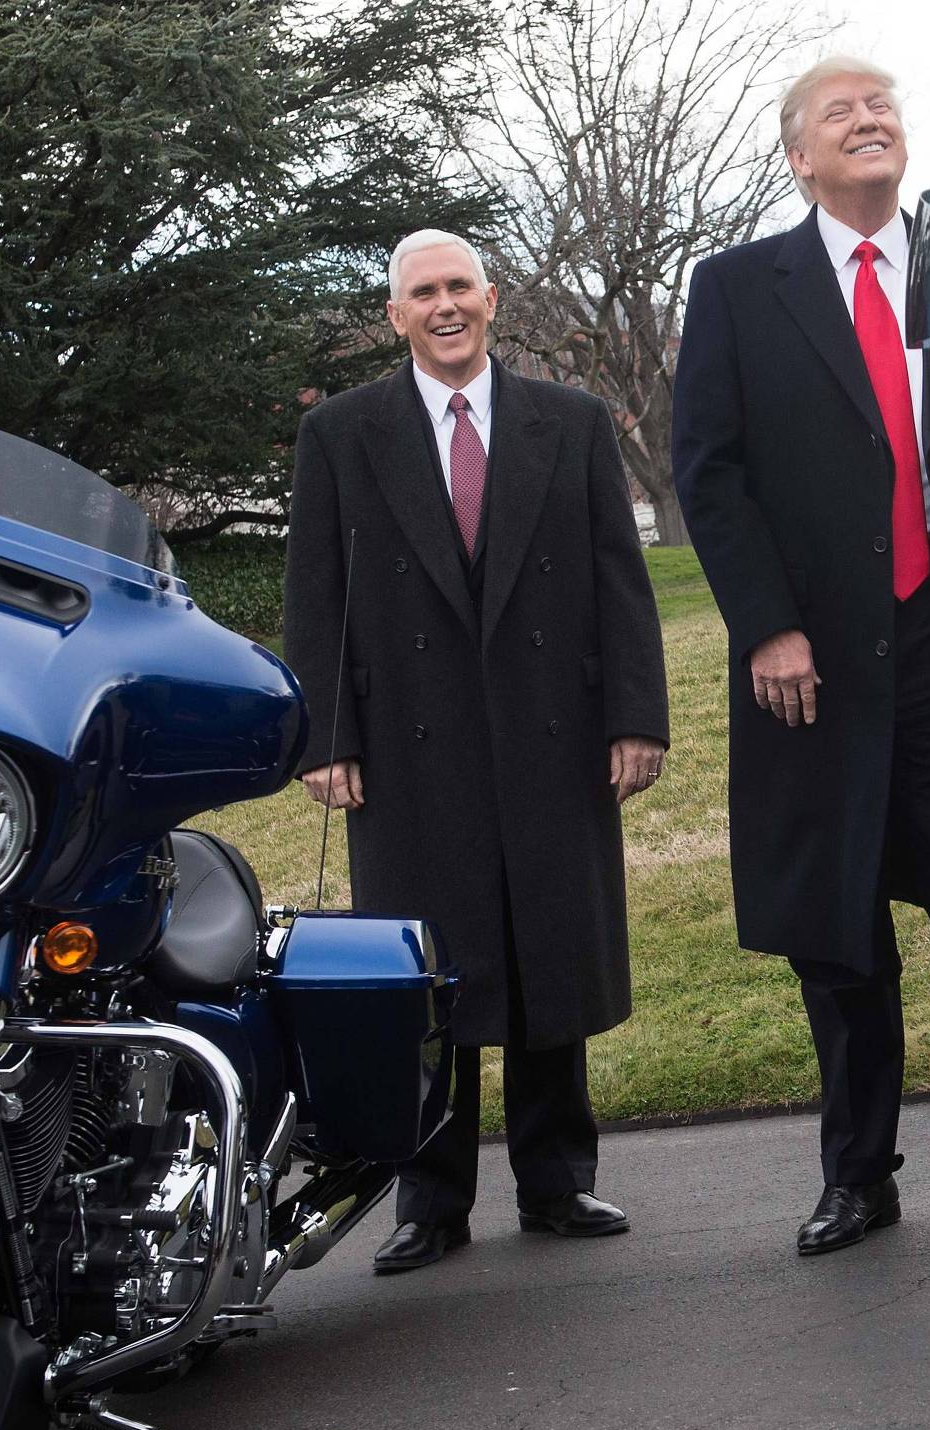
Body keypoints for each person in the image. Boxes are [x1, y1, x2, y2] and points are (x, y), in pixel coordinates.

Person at [673, 57, 930, 1255]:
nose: (870, 122)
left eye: (884, 108)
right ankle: (859, 1176)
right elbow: (711, 470)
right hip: (815, 661)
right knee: (837, 931)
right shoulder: (742, 289)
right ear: (798, 156)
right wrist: (767, 625)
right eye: (840, 114)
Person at [284, 229, 671, 1274]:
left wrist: (636, 717)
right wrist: (326, 737)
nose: (445, 306)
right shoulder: (343, 436)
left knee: (550, 951)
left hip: (553, 725)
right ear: (395, 315)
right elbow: (314, 595)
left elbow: (619, 585)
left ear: (492, 300)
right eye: (423, 293)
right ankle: (430, 1198)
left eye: (460, 286)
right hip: (409, 738)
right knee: (425, 972)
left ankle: (558, 1183)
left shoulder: (574, 424)